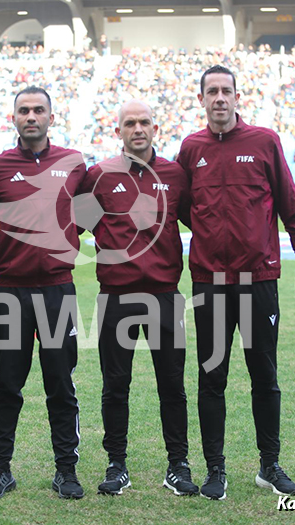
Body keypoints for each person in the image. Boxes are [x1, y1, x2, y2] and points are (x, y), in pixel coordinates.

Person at [177, 65, 295, 501]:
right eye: (212, 91)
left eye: (226, 91)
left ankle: (269, 465)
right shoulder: (191, 148)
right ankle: (215, 469)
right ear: (202, 99)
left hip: (259, 280)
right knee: (212, 377)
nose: (220, 98)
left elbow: (291, 201)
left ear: (237, 97)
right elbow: (183, 206)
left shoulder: (264, 142)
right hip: (210, 282)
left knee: (264, 374)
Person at [78, 100, 198, 496]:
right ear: (119, 131)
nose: (138, 128)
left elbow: (201, 222)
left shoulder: (175, 175)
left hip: (164, 296)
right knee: (116, 384)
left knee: (172, 385)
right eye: (129, 123)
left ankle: (178, 464)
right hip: (116, 296)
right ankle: (117, 464)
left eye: (144, 121)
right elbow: (78, 223)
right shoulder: (98, 175)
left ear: (155, 128)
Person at [0, 86, 86, 500]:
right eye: (24, 110)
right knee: (5, 384)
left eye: (39, 110)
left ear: (51, 118)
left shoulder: (73, 164)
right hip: (9, 292)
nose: (31, 116)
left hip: (57, 290)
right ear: (14, 118)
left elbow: (90, 214)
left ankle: (66, 471)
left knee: (60, 384)